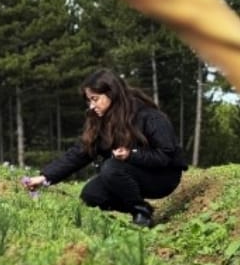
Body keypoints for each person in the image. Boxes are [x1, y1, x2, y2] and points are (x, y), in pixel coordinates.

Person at [22, 68, 188, 227]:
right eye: (89, 101)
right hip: (127, 173)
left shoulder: (149, 116)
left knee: (111, 167)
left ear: (111, 94)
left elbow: (165, 156)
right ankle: (142, 208)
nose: (91, 106)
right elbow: (79, 153)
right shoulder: (99, 121)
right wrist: (45, 178)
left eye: (95, 99)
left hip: (163, 177)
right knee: (91, 195)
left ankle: (141, 213)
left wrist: (131, 155)